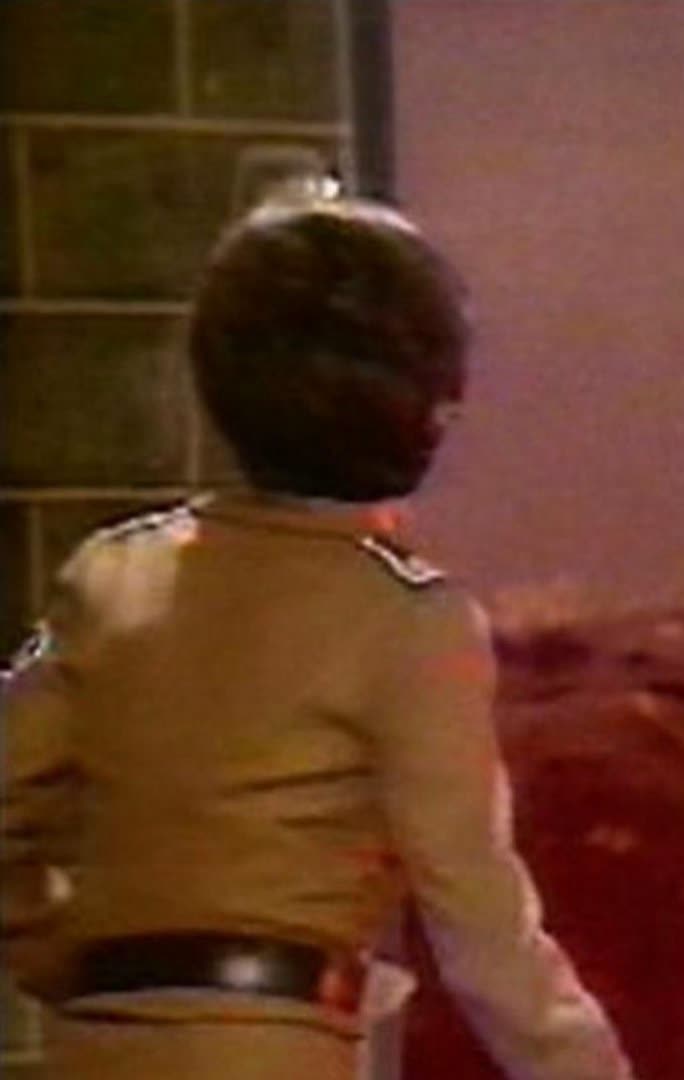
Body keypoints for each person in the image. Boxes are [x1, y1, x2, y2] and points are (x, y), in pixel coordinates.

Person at [0, 197, 636, 1080]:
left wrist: (75, 963)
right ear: (422, 406)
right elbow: (480, 918)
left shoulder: (112, 576)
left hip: (96, 1045)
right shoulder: (411, 623)